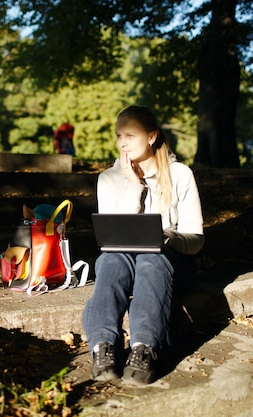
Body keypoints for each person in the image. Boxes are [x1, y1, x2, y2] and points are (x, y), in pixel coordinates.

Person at [82, 105, 205, 385]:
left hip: (171, 263)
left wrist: (166, 239)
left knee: (153, 259)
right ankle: (103, 348)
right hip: (123, 262)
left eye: (130, 135)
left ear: (151, 137)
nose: (122, 142)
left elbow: (196, 240)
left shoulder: (181, 174)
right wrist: (133, 188)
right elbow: (113, 237)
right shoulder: (109, 178)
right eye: (118, 136)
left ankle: (144, 349)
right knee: (110, 260)